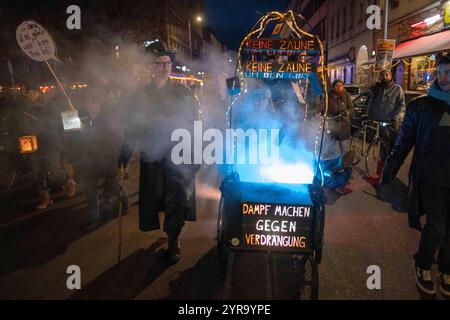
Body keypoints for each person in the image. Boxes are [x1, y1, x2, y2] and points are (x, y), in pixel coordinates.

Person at [119, 40, 199, 262]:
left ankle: (174, 239)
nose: (164, 67)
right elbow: (132, 128)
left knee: (177, 198)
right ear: (151, 67)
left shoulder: (183, 92)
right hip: (152, 156)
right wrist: (124, 155)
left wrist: (197, 152)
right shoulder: (140, 95)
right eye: (159, 63)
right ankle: (169, 231)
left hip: (177, 155)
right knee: (157, 197)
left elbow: (194, 123)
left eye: (167, 63)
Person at [380, 54, 450, 297]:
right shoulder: (421, 106)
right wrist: (388, 171)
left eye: (449, 72)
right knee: (437, 227)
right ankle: (422, 262)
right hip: (430, 178)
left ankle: (445, 267)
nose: (444, 77)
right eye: (441, 72)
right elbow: (403, 143)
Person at [75, 87, 128, 231]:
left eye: (94, 103)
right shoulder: (81, 119)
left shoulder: (109, 119)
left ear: (100, 104)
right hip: (88, 161)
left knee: (114, 185)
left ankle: (125, 202)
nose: (91, 106)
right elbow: (75, 139)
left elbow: (116, 138)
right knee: (90, 192)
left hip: (105, 159)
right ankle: (94, 217)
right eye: (89, 103)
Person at [17, 83, 65, 209]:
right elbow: (21, 126)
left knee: (55, 171)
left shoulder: (49, 106)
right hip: (33, 144)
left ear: (39, 93)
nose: (31, 94)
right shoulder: (23, 108)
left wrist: (44, 124)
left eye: (34, 92)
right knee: (37, 173)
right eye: (29, 92)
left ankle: (68, 182)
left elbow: (58, 122)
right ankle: (45, 197)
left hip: (51, 143)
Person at [318, 79, 355, 195]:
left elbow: (351, 108)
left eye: (341, 85)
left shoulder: (347, 96)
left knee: (345, 152)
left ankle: (345, 174)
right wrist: (323, 115)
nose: (339, 87)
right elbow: (321, 108)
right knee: (332, 152)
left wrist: (346, 113)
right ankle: (332, 176)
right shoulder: (328, 96)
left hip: (344, 127)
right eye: (337, 85)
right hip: (332, 127)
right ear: (333, 87)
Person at [366, 69, 406, 162]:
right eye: (382, 75)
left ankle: (389, 169)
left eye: (386, 75)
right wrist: (368, 116)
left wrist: (395, 118)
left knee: (391, 148)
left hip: (390, 123)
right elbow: (371, 103)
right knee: (382, 148)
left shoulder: (397, 88)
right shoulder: (377, 89)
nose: (384, 77)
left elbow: (402, 105)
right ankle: (381, 169)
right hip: (378, 122)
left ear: (391, 76)